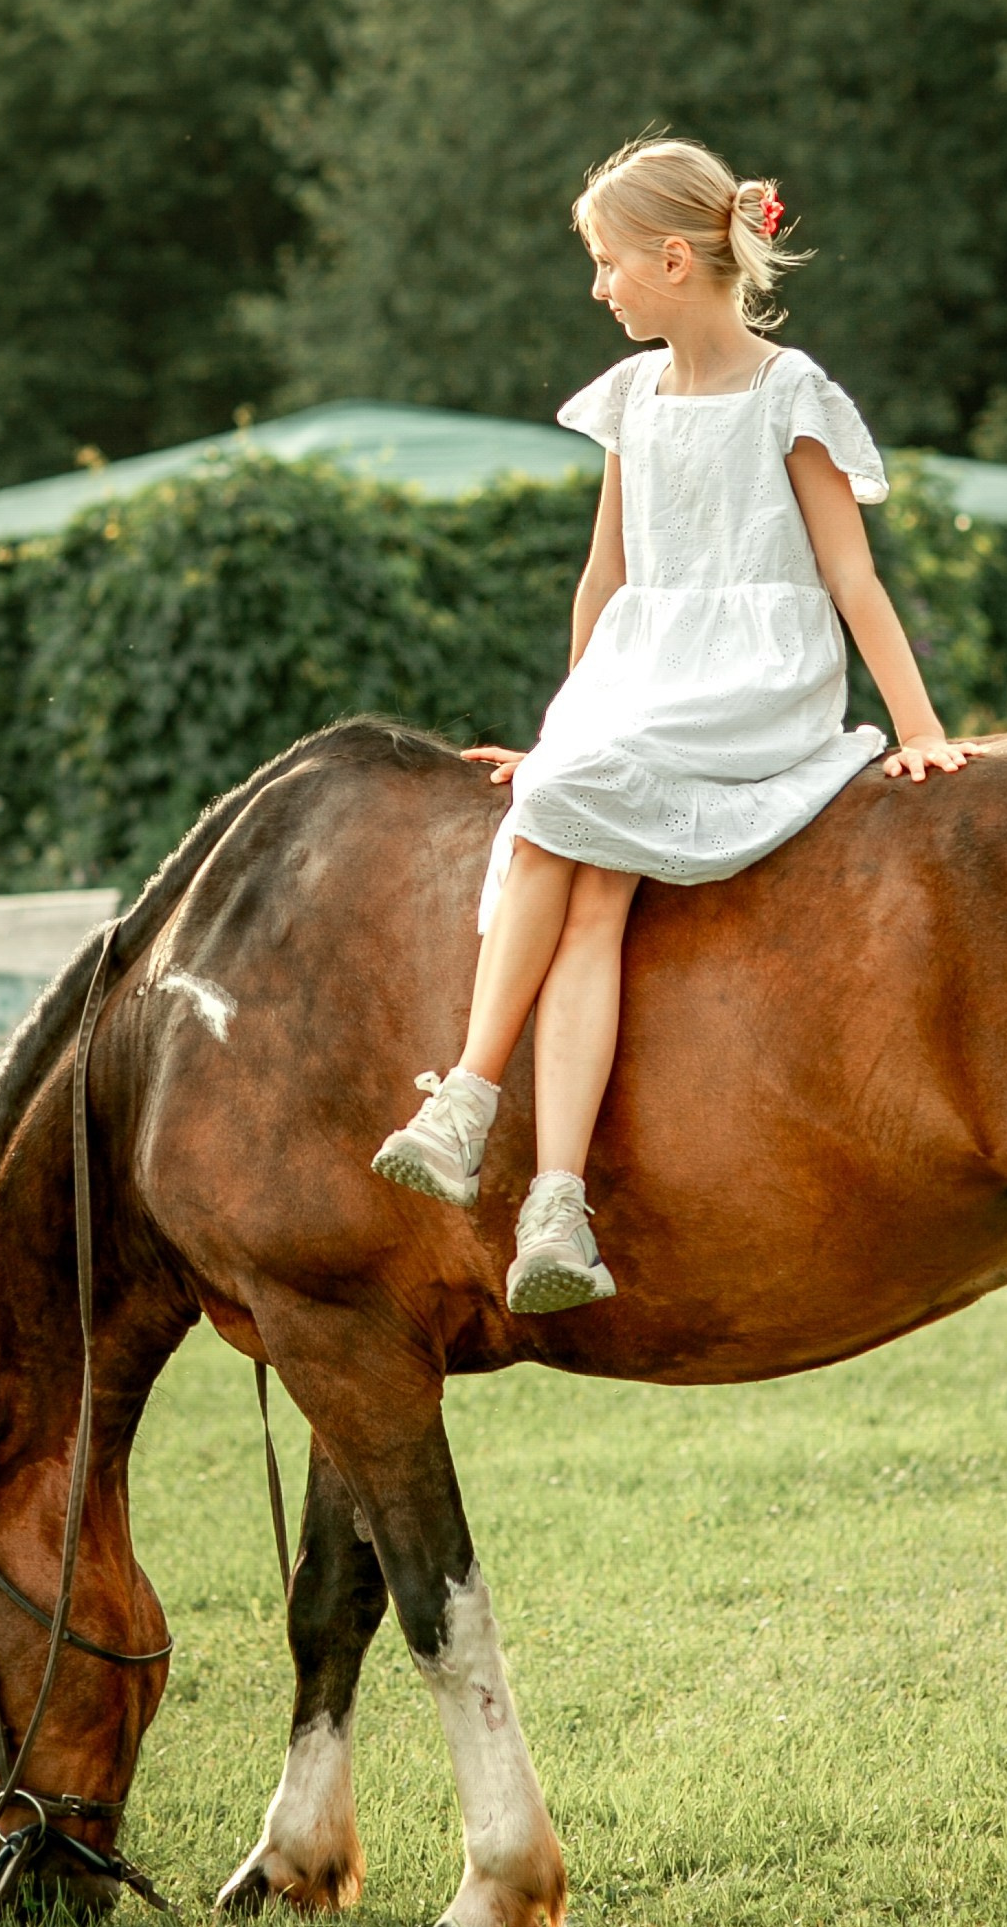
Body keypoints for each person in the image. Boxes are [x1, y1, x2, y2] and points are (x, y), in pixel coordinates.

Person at [372, 133, 975, 1311]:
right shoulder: (629, 401)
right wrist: (562, 727)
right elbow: (602, 582)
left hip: (751, 672)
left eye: (603, 261)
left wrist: (919, 725)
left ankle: (468, 1095)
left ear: (668, 256)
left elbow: (850, 578)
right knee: (585, 875)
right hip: (641, 673)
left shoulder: (788, 392)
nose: (595, 286)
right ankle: (554, 1205)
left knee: (556, 810)